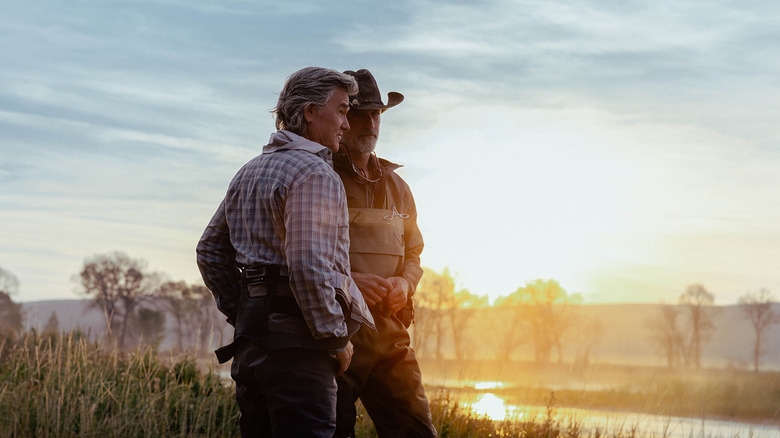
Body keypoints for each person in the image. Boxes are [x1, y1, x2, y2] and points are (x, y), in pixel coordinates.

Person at [196, 66, 374, 438]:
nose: (346, 123)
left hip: (252, 348)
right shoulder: (315, 173)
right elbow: (308, 265)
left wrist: (247, 313)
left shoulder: (249, 171)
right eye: (341, 110)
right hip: (300, 352)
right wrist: (334, 338)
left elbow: (210, 252)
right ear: (310, 112)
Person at [333, 69, 436, 438]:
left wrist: (405, 285)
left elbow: (414, 252)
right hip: (337, 333)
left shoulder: (398, 186)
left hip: (392, 333)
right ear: (341, 119)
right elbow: (301, 252)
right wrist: (350, 283)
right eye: (360, 113)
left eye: (376, 114)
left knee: (416, 431)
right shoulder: (320, 177)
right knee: (331, 430)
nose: (370, 123)